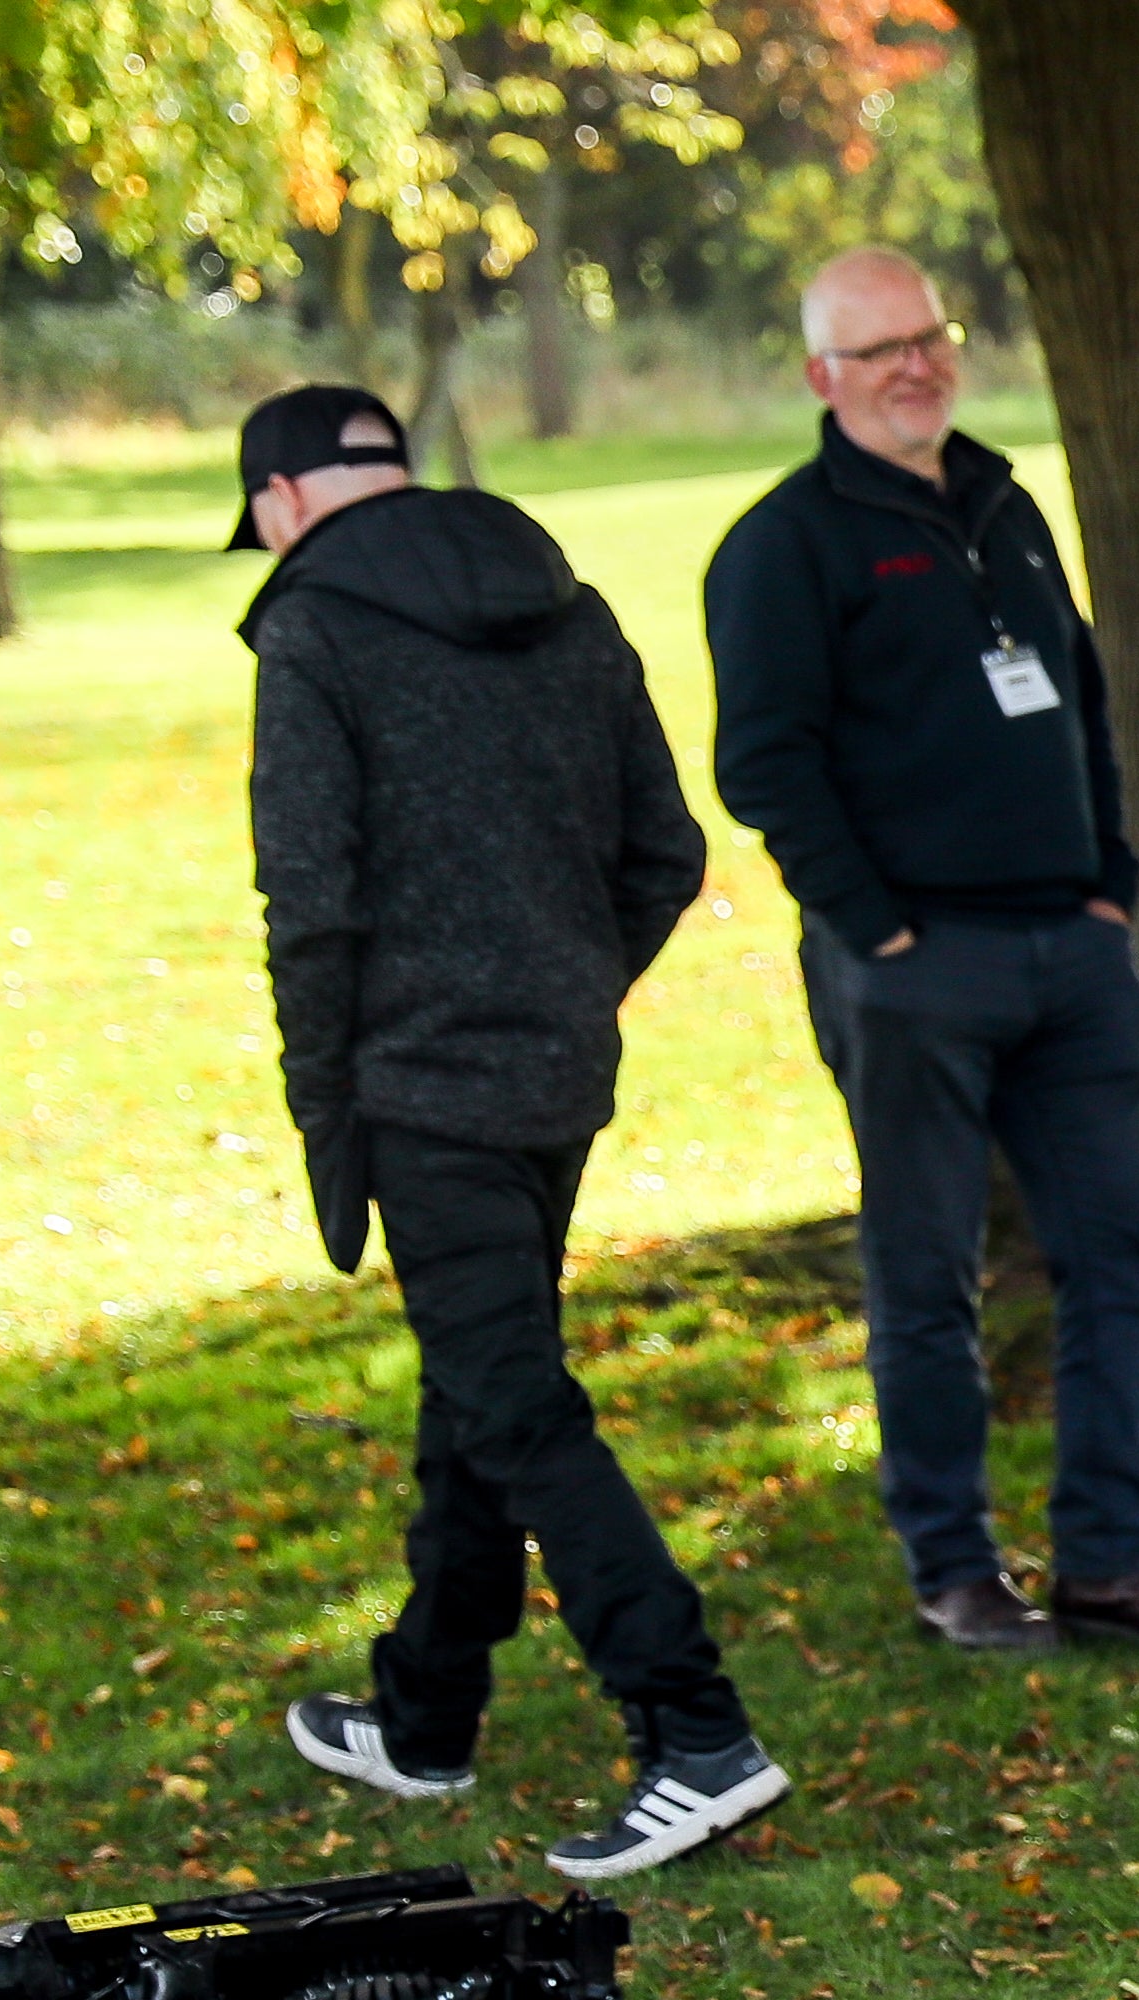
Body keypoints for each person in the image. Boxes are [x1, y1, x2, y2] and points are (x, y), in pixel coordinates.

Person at [235, 385, 791, 1880]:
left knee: (516, 1405)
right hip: (553, 1075)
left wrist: (325, 1107)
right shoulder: (567, 599)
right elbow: (664, 850)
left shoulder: (312, 627)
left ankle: (697, 1730)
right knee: (480, 1384)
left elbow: (312, 901)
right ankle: (428, 1712)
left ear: (281, 503)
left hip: (420, 1088)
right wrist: (565, 991)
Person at [703, 246, 1139, 1655]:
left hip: (1072, 952)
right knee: (928, 1278)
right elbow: (763, 763)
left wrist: (1112, 882)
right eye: (879, 350)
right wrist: (876, 924)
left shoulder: (1006, 506)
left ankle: (1111, 1561)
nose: (915, 367)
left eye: (929, 337)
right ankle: (954, 1570)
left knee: (1121, 1256)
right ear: (822, 377)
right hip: (915, 966)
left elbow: (1085, 699)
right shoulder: (784, 546)